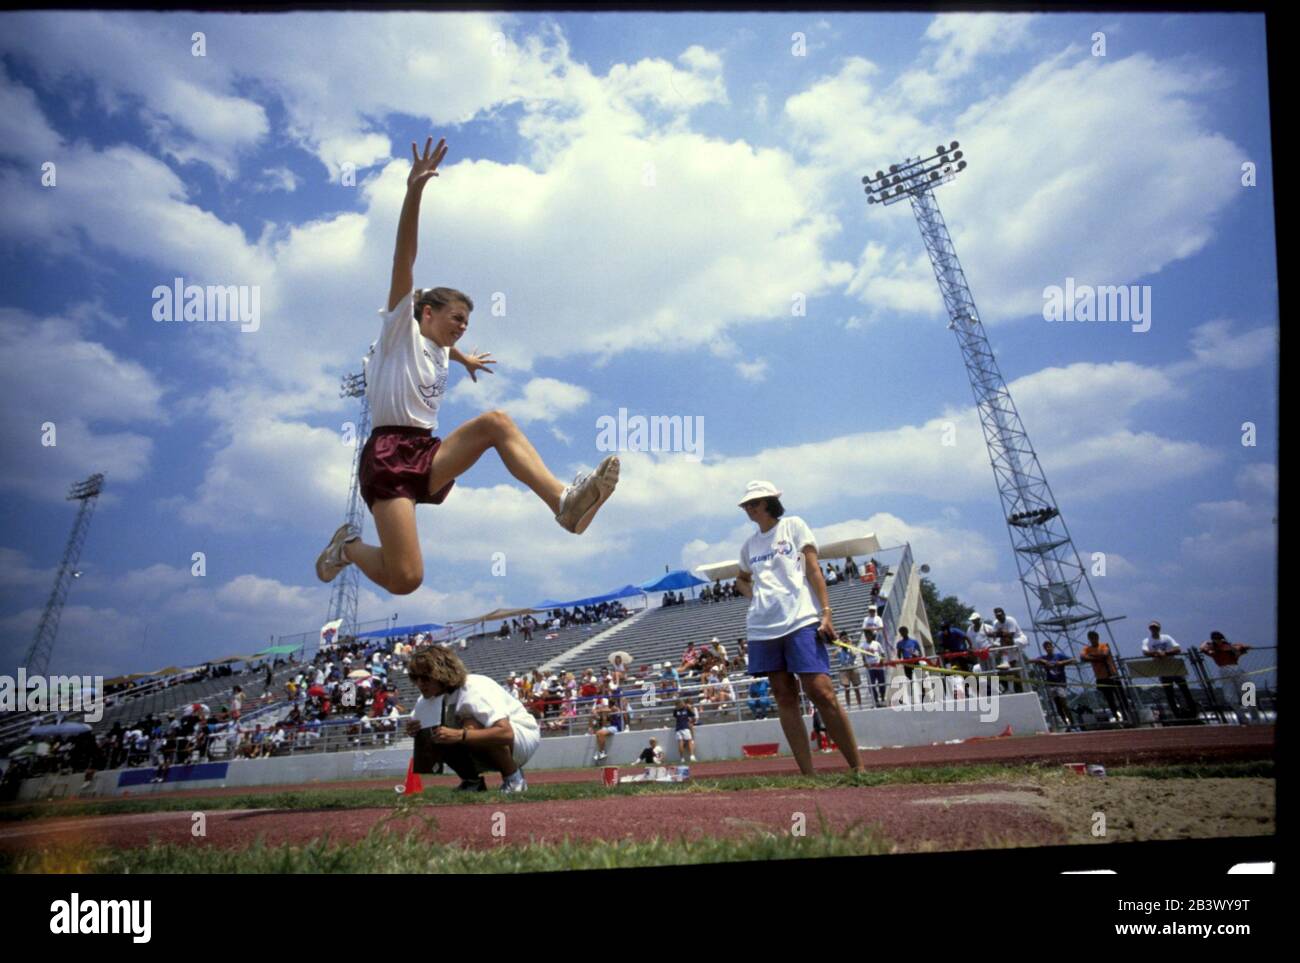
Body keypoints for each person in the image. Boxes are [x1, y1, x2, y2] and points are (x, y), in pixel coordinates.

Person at [316, 135, 621, 595]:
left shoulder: (440, 347)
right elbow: (405, 258)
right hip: (387, 456)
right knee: (407, 579)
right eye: (457, 319)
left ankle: (565, 503)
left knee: (496, 423)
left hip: (425, 450)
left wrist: (465, 357)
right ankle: (347, 548)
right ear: (426, 313)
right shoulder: (400, 330)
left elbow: (447, 350)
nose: (461, 327)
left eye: (467, 323)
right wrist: (414, 190)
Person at [733, 480, 863, 775]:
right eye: (746, 505)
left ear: (769, 502)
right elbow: (740, 579)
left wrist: (826, 613)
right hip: (763, 627)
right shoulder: (749, 545)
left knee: (821, 691)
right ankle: (808, 775)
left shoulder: (793, 526)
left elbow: (813, 569)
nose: (748, 509)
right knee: (783, 694)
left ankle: (858, 768)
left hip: (801, 618)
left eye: (754, 503)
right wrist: (756, 596)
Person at [404, 646, 539, 793]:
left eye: (425, 677)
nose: (419, 683)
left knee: (470, 722)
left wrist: (459, 735)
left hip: (522, 736)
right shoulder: (427, 698)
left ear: (442, 673)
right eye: (414, 677)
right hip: (496, 741)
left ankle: (514, 779)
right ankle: (472, 782)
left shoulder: (473, 687)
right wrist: (414, 729)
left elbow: (506, 732)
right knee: (437, 732)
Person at [1141, 621, 1197, 721]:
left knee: (1184, 689)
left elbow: (1177, 648)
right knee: (1169, 693)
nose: (1154, 629)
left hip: (1173, 666)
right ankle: (1177, 715)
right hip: (1163, 669)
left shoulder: (1166, 637)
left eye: (1155, 627)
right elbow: (1145, 652)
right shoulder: (1147, 640)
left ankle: (1193, 711)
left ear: (1159, 628)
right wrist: (1156, 653)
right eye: (1152, 628)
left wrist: (1165, 653)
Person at [1199, 631, 1253, 724]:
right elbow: (1202, 648)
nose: (1218, 641)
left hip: (1235, 668)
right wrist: (1207, 643)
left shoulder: (1229, 647)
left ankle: (1255, 718)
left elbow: (1247, 647)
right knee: (1230, 698)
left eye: (1219, 639)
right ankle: (1243, 718)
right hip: (1223, 670)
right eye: (1215, 639)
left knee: (1247, 694)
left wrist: (1236, 648)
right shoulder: (1213, 649)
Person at [1080, 630, 1127, 724]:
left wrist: (1092, 656)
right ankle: (1117, 717)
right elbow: (1083, 657)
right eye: (1091, 638)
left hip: (1112, 675)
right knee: (1110, 699)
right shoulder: (1087, 648)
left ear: (1097, 637)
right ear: (1089, 639)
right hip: (1101, 677)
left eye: (1094, 637)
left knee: (1121, 697)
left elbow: (1104, 654)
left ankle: (1127, 715)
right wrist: (1096, 657)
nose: (1093, 639)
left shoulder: (1104, 645)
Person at [1031, 641, 1076, 729]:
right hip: (1051, 684)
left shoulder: (1059, 656)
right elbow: (1030, 661)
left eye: (1049, 647)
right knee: (1058, 705)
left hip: (1060, 682)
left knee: (1064, 703)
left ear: (1052, 647)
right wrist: (1041, 660)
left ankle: (1073, 723)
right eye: (1046, 647)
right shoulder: (1044, 657)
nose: (1048, 648)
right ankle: (1066, 724)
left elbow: (1073, 659)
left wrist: (1061, 663)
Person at [988, 608, 1028, 694]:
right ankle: (1013, 689)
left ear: (1004, 614)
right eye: (997, 615)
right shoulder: (996, 623)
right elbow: (995, 636)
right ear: (995, 616)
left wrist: (999, 633)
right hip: (1008, 646)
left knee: (1005, 641)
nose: (1000, 617)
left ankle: (1006, 661)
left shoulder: (1010, 620)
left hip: (1019, 640)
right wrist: (999, 634)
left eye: (1001, 615)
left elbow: (1010, 635)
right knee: (1010, 668)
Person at [895, 627, 925, 704]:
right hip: (907, 663)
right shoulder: (899, 644)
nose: (903, 633)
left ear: (907, 631)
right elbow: (899, 656)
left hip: (915, 662)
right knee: (909, 680)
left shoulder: (914, 641)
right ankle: (909, 698)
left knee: (920, 679)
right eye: (901, 632)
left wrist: (914, 654)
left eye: (904, 631)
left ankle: (924, 696)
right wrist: (900, 652)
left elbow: (920, 653)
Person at [835, 631, 863, 709]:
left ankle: (860, 705)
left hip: (852, 667)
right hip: (844, 669)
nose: (845, 640)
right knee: (846, 688)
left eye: (846, 638)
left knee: (856, 688)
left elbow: (854, 654)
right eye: (843, 638)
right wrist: (840, 645)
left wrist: (849, 645)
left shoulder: (851, 647)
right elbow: (834, 655)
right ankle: (848, 706)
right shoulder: (839, 649)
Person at [861, 630, 888, 708]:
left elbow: (882, 653)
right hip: (870, 668)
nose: (867, 636)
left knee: (882, 683)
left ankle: (882, 698)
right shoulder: (863, 645)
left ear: (871, 635)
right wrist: (865, 662)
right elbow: (863, 656)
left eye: (869, 635)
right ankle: (876, 700)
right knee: (871, 685)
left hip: (879, 667)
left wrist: (881, 661)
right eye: (866, 635)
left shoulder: (876, 644)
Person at [590, 698, 621, 763]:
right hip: (611, 727)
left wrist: (597, 710)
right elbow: (605, 715)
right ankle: (600, 752)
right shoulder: (610, 710)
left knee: (601, 733)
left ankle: (602, 752)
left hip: (616, 728)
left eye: (608, 704)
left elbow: (607, 710)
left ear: (610, 704)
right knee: (598, 733)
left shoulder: (614, 708)